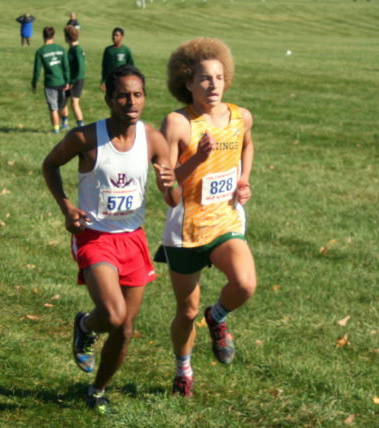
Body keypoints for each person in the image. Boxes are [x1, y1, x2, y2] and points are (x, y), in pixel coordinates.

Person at [42, 65, 175, 413]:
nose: (131, 102)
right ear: (109, 98)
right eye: (123, 95)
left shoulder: (153, 139)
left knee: (126, 330)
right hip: (94, 236)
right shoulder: (85, 137)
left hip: (133, 239)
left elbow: (172, 196)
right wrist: (67, 206)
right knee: (114, 315)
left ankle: (97, 389)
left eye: (138, 95)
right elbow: (50, 165)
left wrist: (169, 185)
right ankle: (86, 325)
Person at [153, 38, 257, 398]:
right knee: (186, 310)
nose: (213, 85)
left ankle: (218, 316)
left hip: (226, 221)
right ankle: (183, 368)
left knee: (244, 284)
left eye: (218, 77)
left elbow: (247, 144)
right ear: (187, 82)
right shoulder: (178, 124)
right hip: (187, 228)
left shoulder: (239, 116)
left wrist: (243, 179)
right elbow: (167, 187)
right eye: (204, 79)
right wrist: (197, 159)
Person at [32, 27, 70, 133]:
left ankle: (56, 129)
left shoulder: (41, 51)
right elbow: (66, 66)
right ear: (54, 36)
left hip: (50, 83)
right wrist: (68, 80)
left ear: (43, 36)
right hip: (62, 82)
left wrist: (34, 83)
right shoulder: (61, 49)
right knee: (63, 104)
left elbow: (37, 70)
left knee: (53, 107)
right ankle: (65, 123)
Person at [63, 25, 86, 127]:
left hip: (76, 80)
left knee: (74, 103)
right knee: (63, 100)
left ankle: (80, 125)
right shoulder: (72, 49)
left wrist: (73, 81)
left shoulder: (76, 50)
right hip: (70, 79)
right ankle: (64, 123)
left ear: (67, 37)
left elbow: (81, 68)